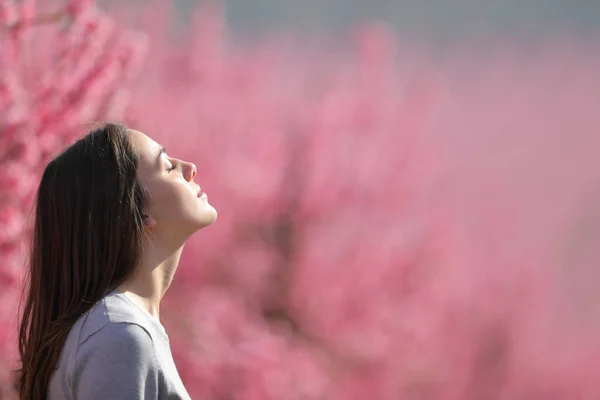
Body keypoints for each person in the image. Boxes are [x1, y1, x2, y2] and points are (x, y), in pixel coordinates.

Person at [15, 122, 217, 399]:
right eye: (167, 167)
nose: (190, 168)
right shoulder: (119, 335)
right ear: (138, 211)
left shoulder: (115, 329)